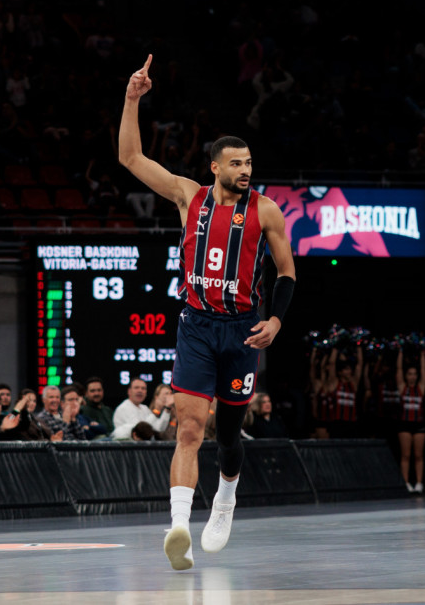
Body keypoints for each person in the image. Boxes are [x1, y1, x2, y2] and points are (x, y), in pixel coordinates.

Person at [117, 54, 297, 570]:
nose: (246, 170)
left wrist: (276, 320)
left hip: (242, 330)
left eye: (249, 163)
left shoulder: (266, 211)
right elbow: (130, 157)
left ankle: (225, 500)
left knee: (228, 437)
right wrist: (131, 99)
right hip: (196, 326)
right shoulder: (187, 196)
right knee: (189, 430)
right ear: (215, 167)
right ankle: (179, 528)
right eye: (236, 164)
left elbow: (286, 273)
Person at [394, 347, 425, 494]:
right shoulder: (402, 387)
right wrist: (401, 353)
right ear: (406, 376)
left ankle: (419, 483)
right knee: (406, 455)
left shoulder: (420, 387)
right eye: (410, 374)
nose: (412, 377)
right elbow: (398, 369)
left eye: (414, 374)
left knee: (419, 455)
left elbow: (424, 371)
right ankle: (406, 482)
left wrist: (422, 356)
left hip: (419, 424)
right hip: (404, 424)